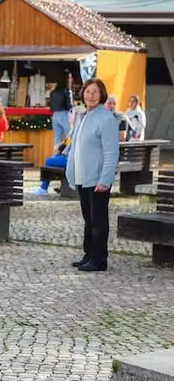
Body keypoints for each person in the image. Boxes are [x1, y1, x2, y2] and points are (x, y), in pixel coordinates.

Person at [66, 78, 119, 272]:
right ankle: (88, 254)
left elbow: (111, 152)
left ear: (102, 94)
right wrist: (71, 172)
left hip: (97, 179)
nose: (91, 95)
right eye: (88, 91)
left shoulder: (106, 119)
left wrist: (105, 180)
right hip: (83, 177)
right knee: (88, 219)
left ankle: (99, 259)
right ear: (83, 94)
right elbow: (75, 147)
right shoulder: (83, 116)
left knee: (98, 221)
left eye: (95, 92)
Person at [49, 70, 73, 148]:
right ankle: (68, 153)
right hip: (64, 115)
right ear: (66, 79)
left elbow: (51, 106)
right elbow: (69, 106)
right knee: (69, 136)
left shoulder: (53, 92)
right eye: (69, 77)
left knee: (57, 139)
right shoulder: (66, 91)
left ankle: (56, 154)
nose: (71, 79)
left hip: (55, 116)